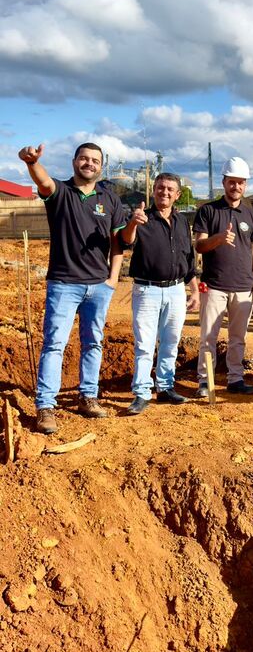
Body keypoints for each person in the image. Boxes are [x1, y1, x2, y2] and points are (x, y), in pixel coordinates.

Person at [17, 141, 126, 434]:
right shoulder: (60, 192)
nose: (89, 163)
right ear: (75, 161)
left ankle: (88, 397)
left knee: (93, 343)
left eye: (95, 160)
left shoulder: (109, 199)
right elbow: (43, 180)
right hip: (64, 284)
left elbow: (118, 244)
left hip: (99, 286)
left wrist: (113, 279)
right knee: (55, 344)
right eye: (84, 158)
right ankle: (46, 407)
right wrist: (31, 163)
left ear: (101, 166)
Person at [120, 174, 200, 415]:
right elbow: (126, 240)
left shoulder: (182, 222)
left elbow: (188, 259)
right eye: (160, 188)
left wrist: (194, 290)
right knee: (145, 344)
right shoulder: (142, 218)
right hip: (147, 290)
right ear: (154, 190)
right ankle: (142, 392)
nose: (164, 192)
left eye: (170, 189)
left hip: (176, 290)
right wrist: (133, 223)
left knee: (171, 342)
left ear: (177, 195)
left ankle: (165, 387)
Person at [193, 157, 253, 397]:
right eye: (232, 182)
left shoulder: (250, 214)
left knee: (238, 337)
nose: (236, 187)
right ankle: (205, 381)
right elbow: (199, 246)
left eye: (241, 182)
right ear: (224, 182)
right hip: (214, 285)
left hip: (244, 286)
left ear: (245, 185)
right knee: (208, 337)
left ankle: (235, 379)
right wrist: (219, 239)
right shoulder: (208, 211)